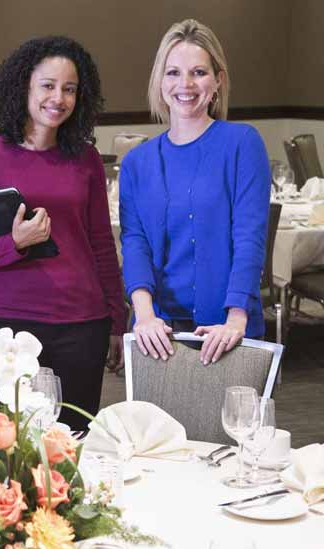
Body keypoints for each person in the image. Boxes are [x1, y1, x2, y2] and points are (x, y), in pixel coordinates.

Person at [0, 36, 126, 430]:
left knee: (74, 443)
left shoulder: (85, 158)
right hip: (11, 326)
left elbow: (101, 244)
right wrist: (16, 243)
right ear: (24, 87)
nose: (58, 98)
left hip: (84, 324)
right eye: (48, 85)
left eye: (70, 89)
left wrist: (117, 321)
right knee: (12, 447)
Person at [119, 19, 270, 367]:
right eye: (173, 72)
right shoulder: (137, 162)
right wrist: (144, 316)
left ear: (218, 80)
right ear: (160, 82)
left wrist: (236, 319)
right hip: (158, 334)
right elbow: (135, 243)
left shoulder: (242, 144)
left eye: (198, 72)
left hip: (227, 331)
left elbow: (249, 238)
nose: (185, 84)